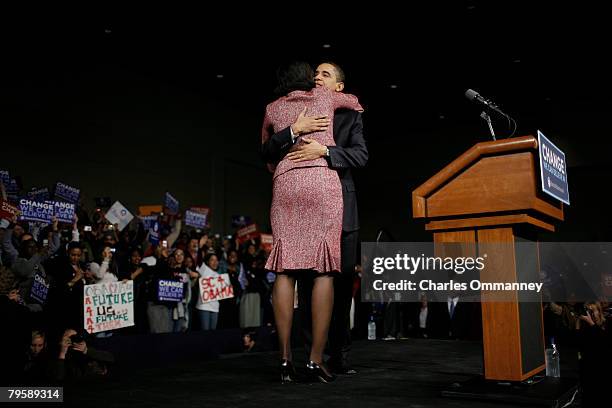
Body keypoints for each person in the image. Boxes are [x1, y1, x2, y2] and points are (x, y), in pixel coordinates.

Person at [262, 61, 367, 375]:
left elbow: (361, 155)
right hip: (322, 187)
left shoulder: (273, 106)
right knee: (322, 272)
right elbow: (356, 101)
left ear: (338, 83)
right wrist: (298, 130)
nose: (318, 78)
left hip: (286, 183)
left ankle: (288, 360)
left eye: (326, 74)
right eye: (315, 74)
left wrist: (321, 149)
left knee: (287, 269)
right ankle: (314, 359)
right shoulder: (328, 100)